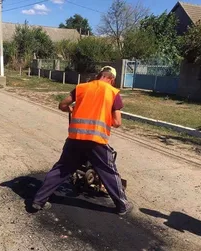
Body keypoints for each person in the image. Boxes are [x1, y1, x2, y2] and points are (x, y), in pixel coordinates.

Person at [31, 66, 133, 215]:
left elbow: (63, 104)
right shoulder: (113, 92)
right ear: (112, 79)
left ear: (99, 75)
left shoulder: (81, 88)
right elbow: (117, 122)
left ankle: (38, 201)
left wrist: (71, 110)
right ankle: (122, 205)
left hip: (75, 139)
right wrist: (103, 117)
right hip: (96, 141)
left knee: (62, 169)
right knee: (108, 171)